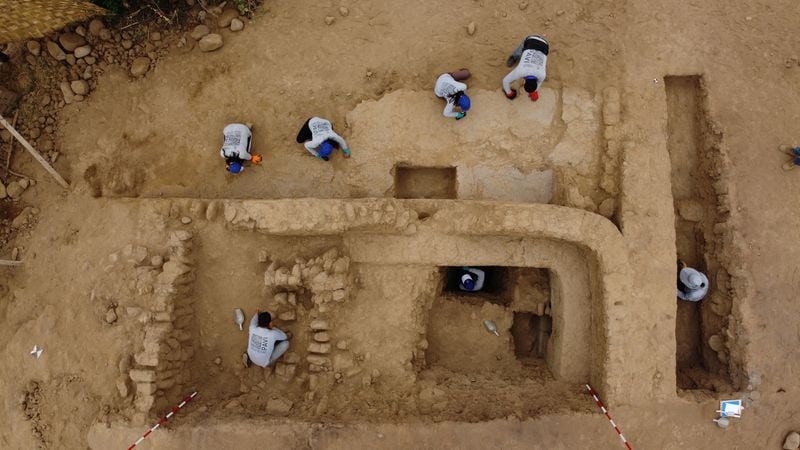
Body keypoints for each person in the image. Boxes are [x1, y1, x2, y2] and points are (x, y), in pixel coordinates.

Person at [503, 35, 549, 102]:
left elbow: (538, 85)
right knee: (520, 51)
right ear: (524, 82)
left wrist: (534, 92)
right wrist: (509, 94)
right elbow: (505, 81)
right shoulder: (520, 71)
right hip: (533, 40)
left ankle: (514, 57)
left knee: (526, 53)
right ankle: (514, 57)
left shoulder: (542, 75)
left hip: (544, 44)